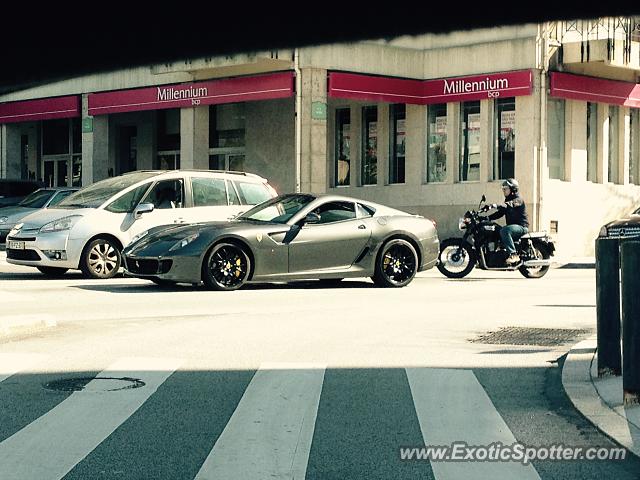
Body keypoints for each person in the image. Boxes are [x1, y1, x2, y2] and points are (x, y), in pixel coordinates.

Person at [484, 178, 529, 265]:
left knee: (505, 230)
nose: (504, 190)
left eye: (506, 189)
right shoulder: (508, 201)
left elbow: (509, 205)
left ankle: (513, 254)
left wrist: (494, 205)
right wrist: (487, 218)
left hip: (521, 227)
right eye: (503, 189)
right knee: (495, 229)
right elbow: (501, 213)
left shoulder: (518, 199)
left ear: (513, 189)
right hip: (513, 227)